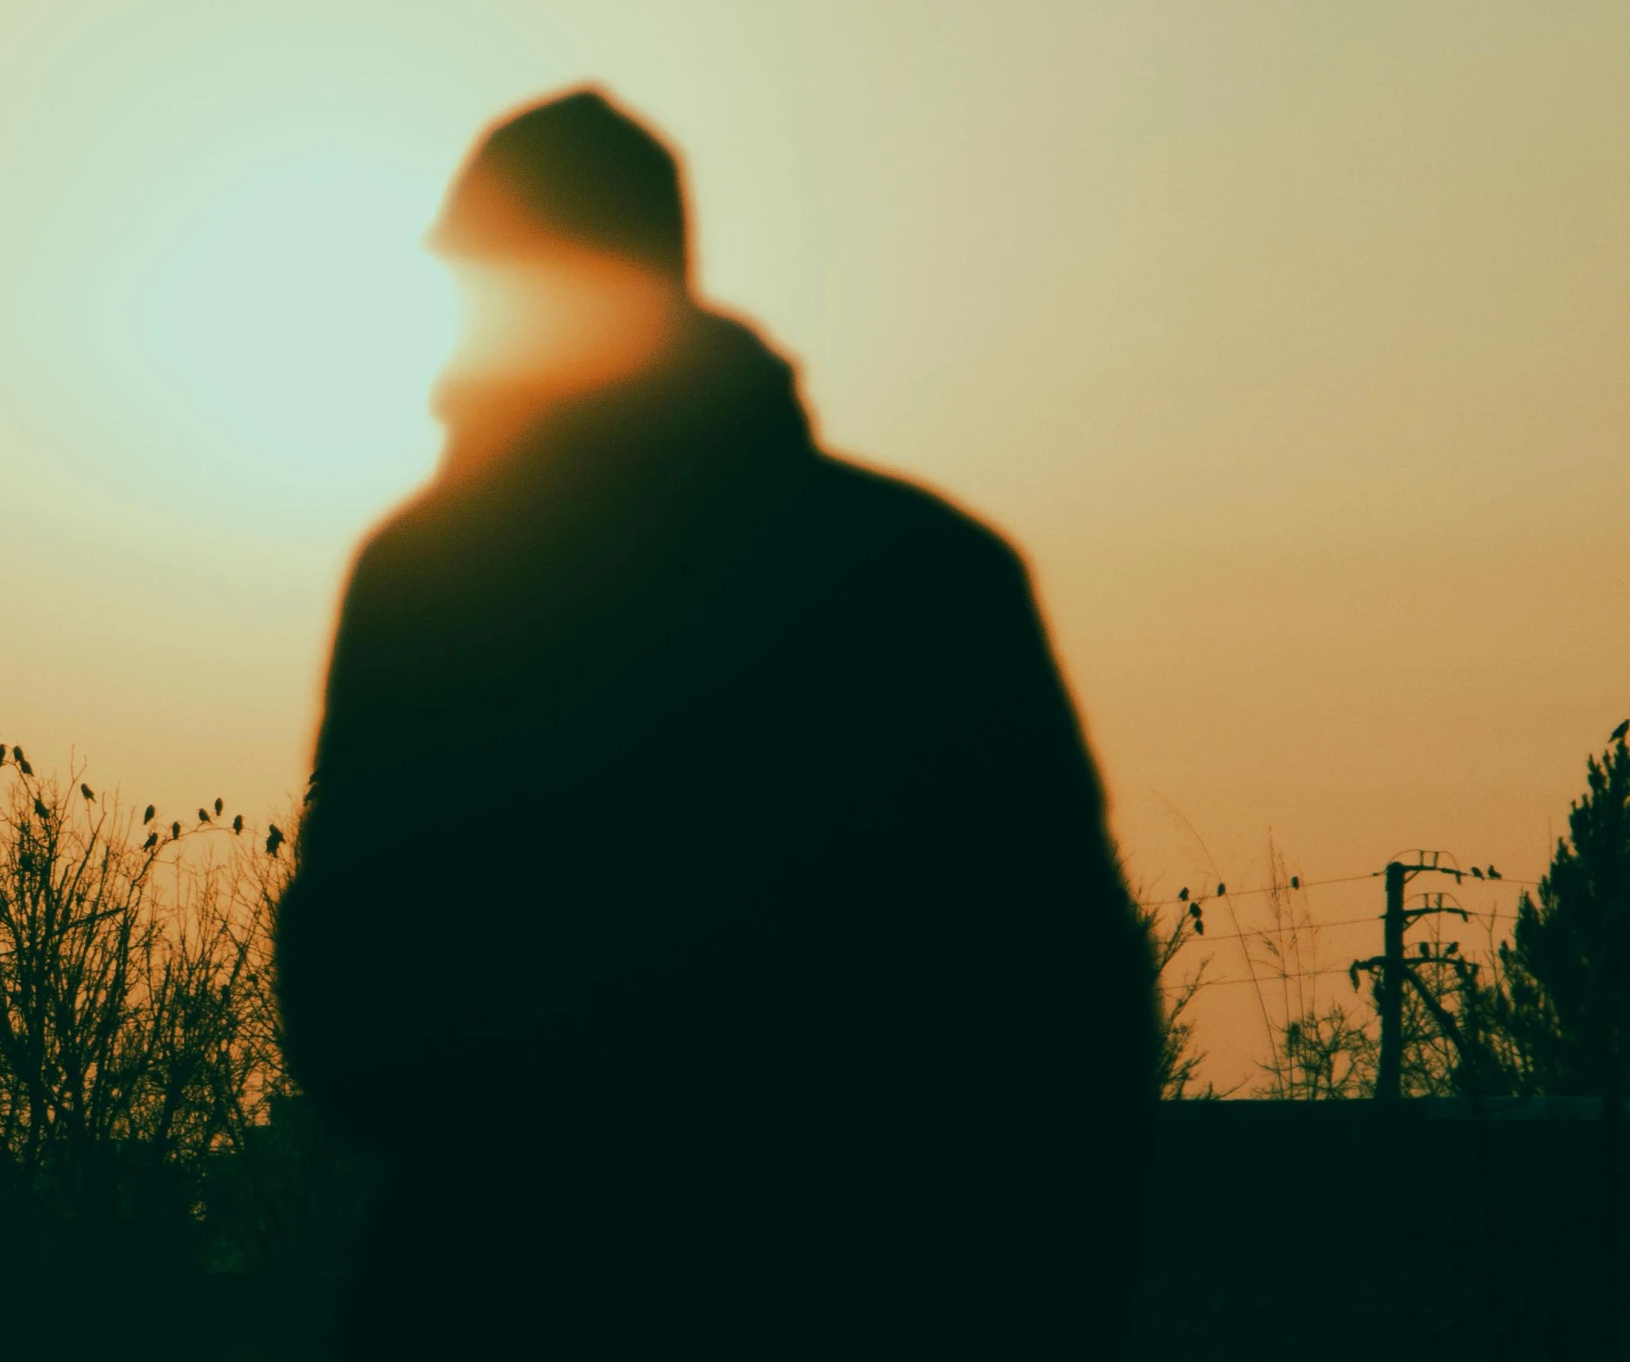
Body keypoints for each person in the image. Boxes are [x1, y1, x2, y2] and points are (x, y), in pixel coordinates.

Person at [274, 88, 1160, 1357]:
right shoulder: (927, 571)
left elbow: (351, 1010)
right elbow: (1069, 1031)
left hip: (509, 1290)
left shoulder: (432, 580)